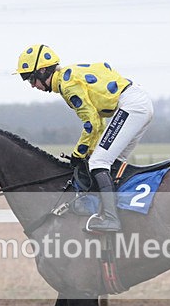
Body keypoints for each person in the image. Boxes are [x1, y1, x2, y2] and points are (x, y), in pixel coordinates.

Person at [16, 44, 154, 232]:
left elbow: (92, 124)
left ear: (42, 71)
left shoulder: (67, 84)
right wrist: (86, 151)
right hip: (137, 102)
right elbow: (97, 124)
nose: (32, 85)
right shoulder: (68, 76)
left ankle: (111, 219)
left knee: (98, 162)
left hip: (131, 105)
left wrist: (78, 154)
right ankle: (117, 212)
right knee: (111, 163)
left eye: (31, 79)